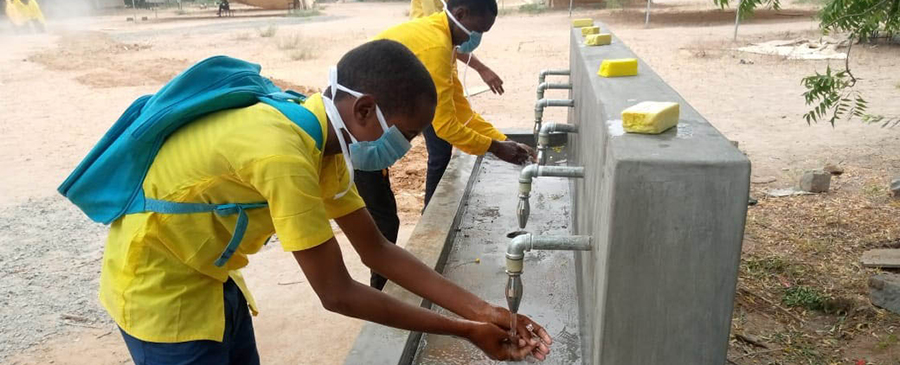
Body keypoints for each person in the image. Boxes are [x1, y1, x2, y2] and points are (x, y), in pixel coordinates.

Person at [99, 40, 552, 365]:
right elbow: (336, 294)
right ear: (363, 109)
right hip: (160, 294)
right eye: (406, 133)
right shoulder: (284, 152)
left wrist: (484, 311)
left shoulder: (323, 144)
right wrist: (466, 331)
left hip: (212, 283)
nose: (406, 147)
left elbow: (376, 250)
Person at [358, 0, 533, 290]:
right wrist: (494, 148)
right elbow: (446, 126)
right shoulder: (435, 47)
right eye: (477, 31)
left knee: (383, 218)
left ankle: (384, 287)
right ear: (461, 14)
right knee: (384, 221)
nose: (474, 40)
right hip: (358, 130)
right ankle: (381, 297)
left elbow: (461, 111)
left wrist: (503, 140)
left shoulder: (445, 43)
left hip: (376, 121)